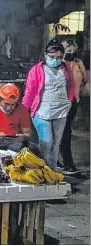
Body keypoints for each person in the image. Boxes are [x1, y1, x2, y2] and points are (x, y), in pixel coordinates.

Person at [22, 40, 75, 170]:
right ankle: (41, 168)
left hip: (61, 111)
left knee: (56, 144)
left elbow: (71, 85)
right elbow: (30, 92)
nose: (56, 60)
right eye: (52, 57)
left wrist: (70, 101)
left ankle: (51, 171)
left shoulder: (65, 68)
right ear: (46, 54)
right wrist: (22, 110)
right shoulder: (37, 70)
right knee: (46, 142)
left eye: (59, 57)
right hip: (41, 111)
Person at [58, 40, 88, 174]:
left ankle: (65, 162)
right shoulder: (57, 63)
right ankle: (66, 163)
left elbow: (85, 80)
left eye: (72, 49)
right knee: (63, 131)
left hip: (73, 102)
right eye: (67, 49)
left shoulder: (78, 63)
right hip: (59, 103)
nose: (70, 52)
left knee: (65, 130)